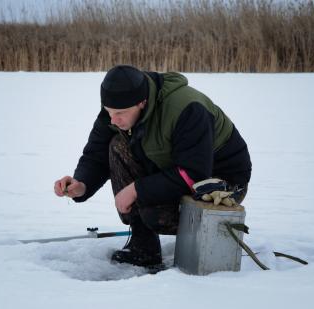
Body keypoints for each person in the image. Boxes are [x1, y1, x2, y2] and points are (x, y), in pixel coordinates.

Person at [54, 65, 252, 268]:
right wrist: (81, 184)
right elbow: (96, 154)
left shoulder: (188, 108)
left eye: (119, 113)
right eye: (108, 112)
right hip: (174, 169)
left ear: (141, 102)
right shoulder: (118, 106)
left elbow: (193, 173)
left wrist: (136, 190)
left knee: (154, 214)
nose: (113, 119)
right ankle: (143, 248)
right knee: (116, 146)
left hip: (220, 181)